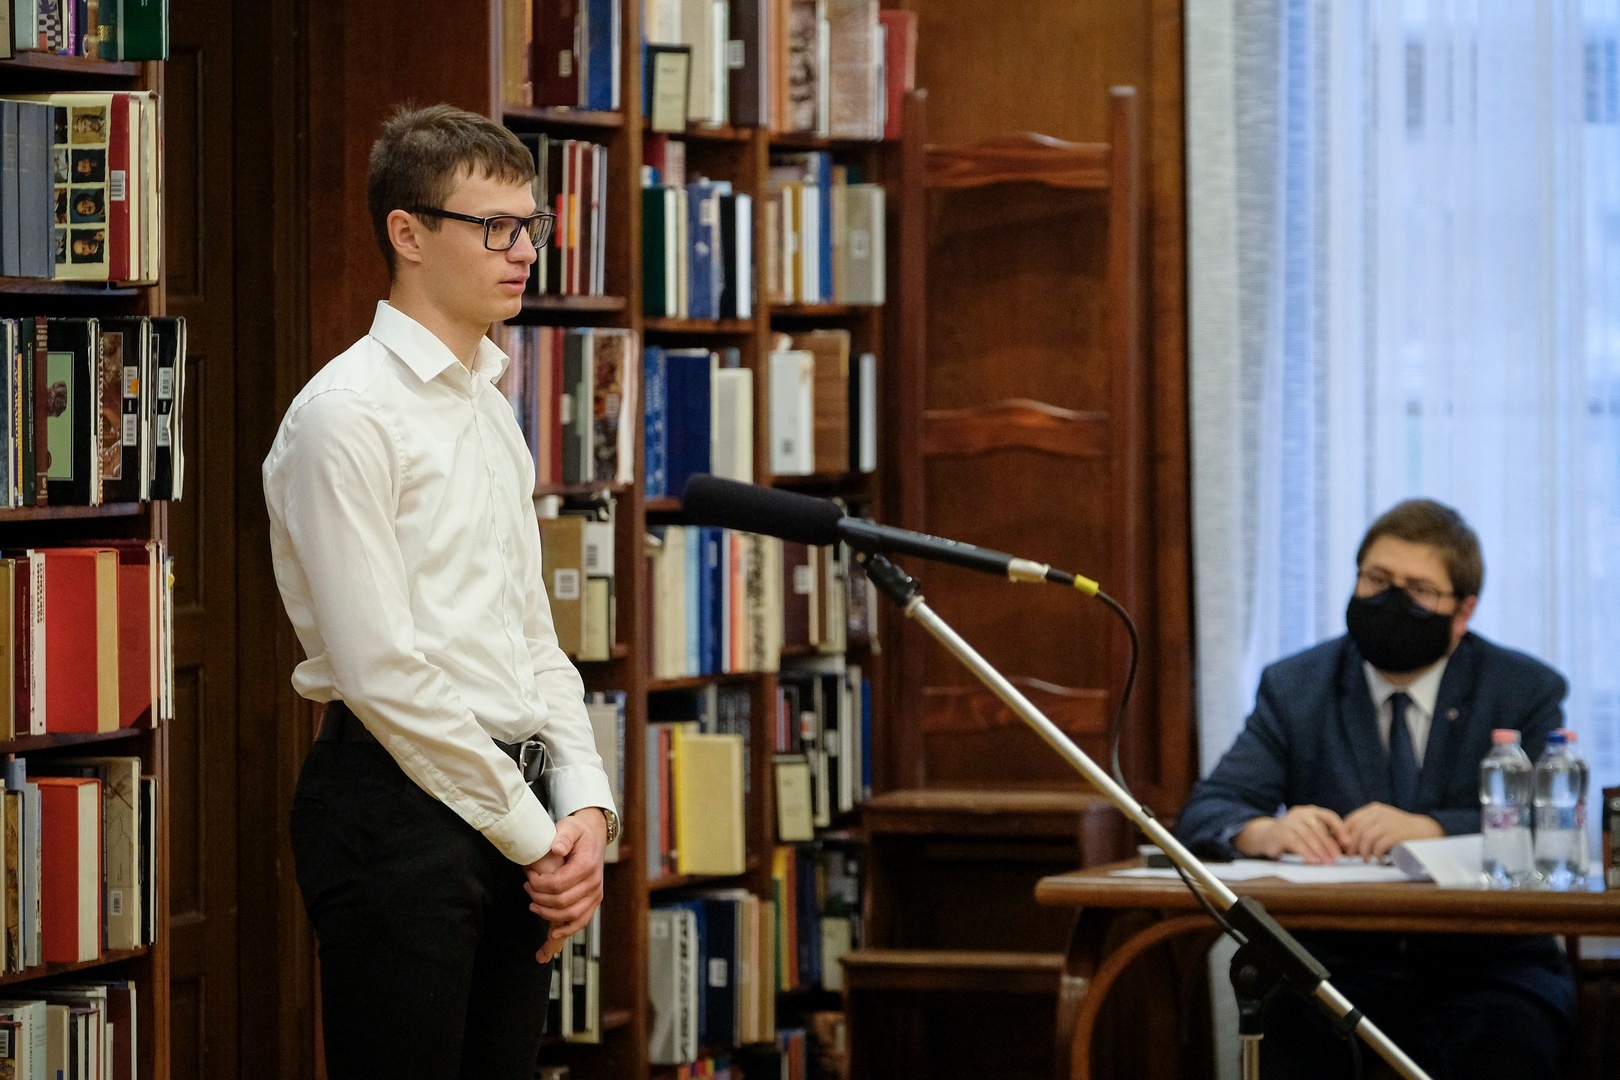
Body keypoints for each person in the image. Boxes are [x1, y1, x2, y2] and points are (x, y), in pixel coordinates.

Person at [262, 104, 618, 1080]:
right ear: (408, 234)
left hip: (515, 804)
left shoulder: (489, 408)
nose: (525, 251)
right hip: (398, 811)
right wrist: (534, 833)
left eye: (532, 226)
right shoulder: (347, 415)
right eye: (495, 227)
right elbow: (381, 672)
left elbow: (533, 636)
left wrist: (585, 808)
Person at [1176, 499, 1574, 1080]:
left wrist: (1433, 829)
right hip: (1332, 968)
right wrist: (1265, 831)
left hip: (1488, 968)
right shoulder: (1296, 686)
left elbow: (1550, 821)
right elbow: (1209, 809)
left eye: (1419, 591)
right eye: (1377, 581)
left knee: (1505, 1051)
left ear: (1462, 612)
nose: (1392, 602)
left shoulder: (1522, 688)